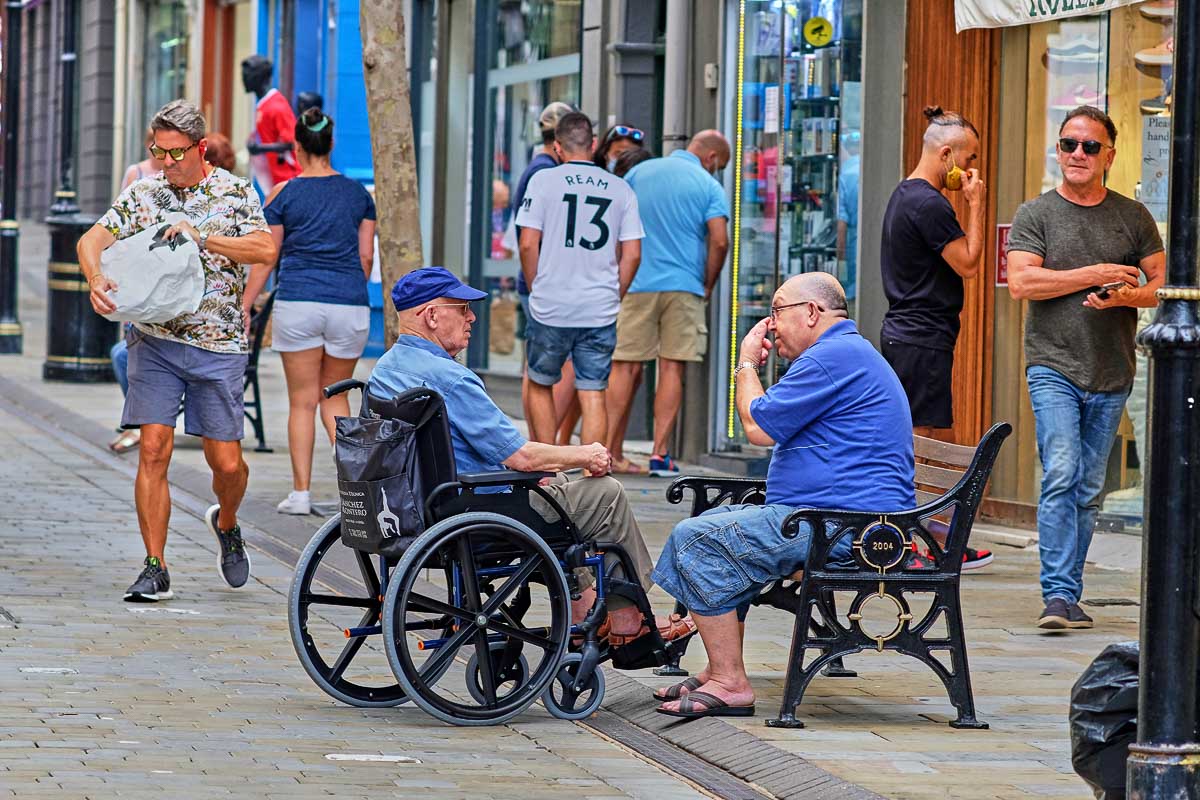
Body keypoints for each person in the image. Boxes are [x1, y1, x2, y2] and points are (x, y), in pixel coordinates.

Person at [368, 266, 695, 646]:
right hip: (477, 512)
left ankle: (586, 609)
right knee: (605, 494)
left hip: (417, 507)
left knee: (557, 488)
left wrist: (544, 468)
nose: (472, 317)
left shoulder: (386, 370)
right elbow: (521, 456)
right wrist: (585, 453)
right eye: (463, 308)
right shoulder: (451, 378)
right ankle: (627, 620)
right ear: (432, 315)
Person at [652, 273, 915, 719]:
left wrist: (746, 363)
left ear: (812, 312)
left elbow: (756, 427)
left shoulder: (832, 358)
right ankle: (720, 667)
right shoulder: (838, 356)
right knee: (717, 533)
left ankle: (730, 683)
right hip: (836, 520)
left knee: (699, 539)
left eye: (777, 311)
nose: (771, 324)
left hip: (847, 530)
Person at [79, 100, 277, 602]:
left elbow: (265, 250)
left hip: (220, 343)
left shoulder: (233, 192)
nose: (165, 163)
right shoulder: (144, 192)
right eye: (157, 152)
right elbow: (90, 239)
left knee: (227, 465)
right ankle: (155, 566)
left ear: (200, 148)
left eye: (175, 153)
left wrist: (204, 236)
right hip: (155, 340)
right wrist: (95, 276)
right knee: (153, 449)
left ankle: (227, 523)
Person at [1007, 105, 1164, 631]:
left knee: (1089, 486)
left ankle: (1068, 595)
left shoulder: (1133, 216)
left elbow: (1163, 284)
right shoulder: (1036, 214)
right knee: (1062, 470)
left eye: (1089, 147)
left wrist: (1125, 297)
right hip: (1052, 364)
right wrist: (1091, 273)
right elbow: (1025, 284)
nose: (1077, 154)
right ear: (1058, 150)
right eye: (1069, 144)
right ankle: (1055, 595)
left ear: (1109, 156)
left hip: (1112, 370)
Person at [879, 105, 992, 572]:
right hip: (920, 336)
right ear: (946, 154)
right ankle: (915, 544)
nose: (970, 171)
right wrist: (977, 206)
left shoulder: (905, 195)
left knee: (918, 439)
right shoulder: (928, 202)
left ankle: (932, 538)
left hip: (913, 335)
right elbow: (968, 262)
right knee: (921, 443)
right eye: (968, 160)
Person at [262, 108, 377, 516]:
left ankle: (301, 494)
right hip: (348, 303)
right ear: (331, 143)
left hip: (298, 302)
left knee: (302, 402)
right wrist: (349, 288)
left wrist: (246, 304)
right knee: (337, 399)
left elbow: (268, 255)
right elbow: (366, 257)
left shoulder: (284, 194)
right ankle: (355, 497)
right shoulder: (358, 195)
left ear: (296, 147)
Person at [605, 131, 731, 476]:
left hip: (637, 283)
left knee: (624, 366)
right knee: (672, 368)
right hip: (684, 286)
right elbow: (720, 241)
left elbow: (614, 225)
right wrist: (707, 284)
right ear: (713, 159)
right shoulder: (708, 185)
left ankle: (605, 451)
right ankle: (660, 454)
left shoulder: (638, 172)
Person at [516, 111, 644, 449]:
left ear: (557, 146)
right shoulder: (620, 189)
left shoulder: (542, 181)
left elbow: (528, 243)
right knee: (592, 390)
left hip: (551, 303)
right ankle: (593, 474)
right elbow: (632, 254)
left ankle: (547, 471)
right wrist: (616, 293)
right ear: (592, 144)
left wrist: (534, 286)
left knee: (541, 383)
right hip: (599, 306)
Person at [512, 101, 573, 436]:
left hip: (536, 281)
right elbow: (529, 239)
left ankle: (541, 440)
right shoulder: (544, 172)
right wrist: (539, 284)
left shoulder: (537, 168)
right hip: (543, 282)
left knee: (536, 366)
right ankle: (545, 442)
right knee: (558, 367)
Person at [242, 54, 301, 193]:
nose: (243, 79)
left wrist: (260, 148)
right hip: (277, 182)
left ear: (260, 78)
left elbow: (292, 143)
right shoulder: (263, 105)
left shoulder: (276, 106)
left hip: (289, 181)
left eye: (247, 75)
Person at [836, 129, 861, 300]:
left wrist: (840, 254)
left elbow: (842, 222)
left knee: (853, 289)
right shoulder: (867, 169)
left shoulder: (845, 173)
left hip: (853, 240)